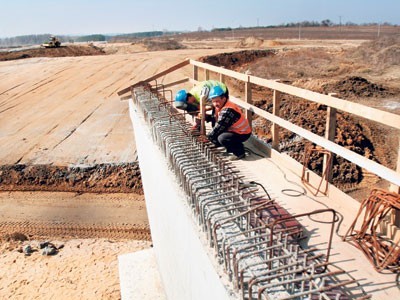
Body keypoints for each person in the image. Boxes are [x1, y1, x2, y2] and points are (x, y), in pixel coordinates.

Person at [206, 86, 252, 160]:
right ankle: (231, 148)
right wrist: (206, 117)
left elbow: (219, 127)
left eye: (217, 101)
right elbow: (216, 120)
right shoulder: (220, 105)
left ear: (223, 98)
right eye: (213, 101)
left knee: (222, 138)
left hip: (243, 133)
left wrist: (207, 138)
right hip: (233, 130)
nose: (215, 104)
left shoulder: (228, 110)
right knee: (215, 137)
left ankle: (240, 153)